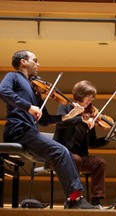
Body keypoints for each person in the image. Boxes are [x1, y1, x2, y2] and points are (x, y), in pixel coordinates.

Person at [0, 50, 97, 209]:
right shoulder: (14, 77)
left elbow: (44, 120)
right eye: (35, 60)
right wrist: (29, 107)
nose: (38, 65)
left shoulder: (35, 89)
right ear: (23, 62)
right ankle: (74, 199)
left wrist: (68, 116)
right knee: (61, 151)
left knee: (62, 153)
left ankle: (73, 199)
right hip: (18, 131)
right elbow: (3, 91)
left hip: (30, 133)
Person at [53, 80, 109, 210]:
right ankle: (74, 199)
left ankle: (96, 201)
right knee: (75, 159)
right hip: (63, 156)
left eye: (92, 96)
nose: (91, 99)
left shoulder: (90, 114)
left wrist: (109, 138)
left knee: (99, 162)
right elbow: (60, 123)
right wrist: (80, 119)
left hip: (80, 156)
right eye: (88, 96)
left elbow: (93, 143)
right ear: (79, 94)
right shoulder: (66, 107)